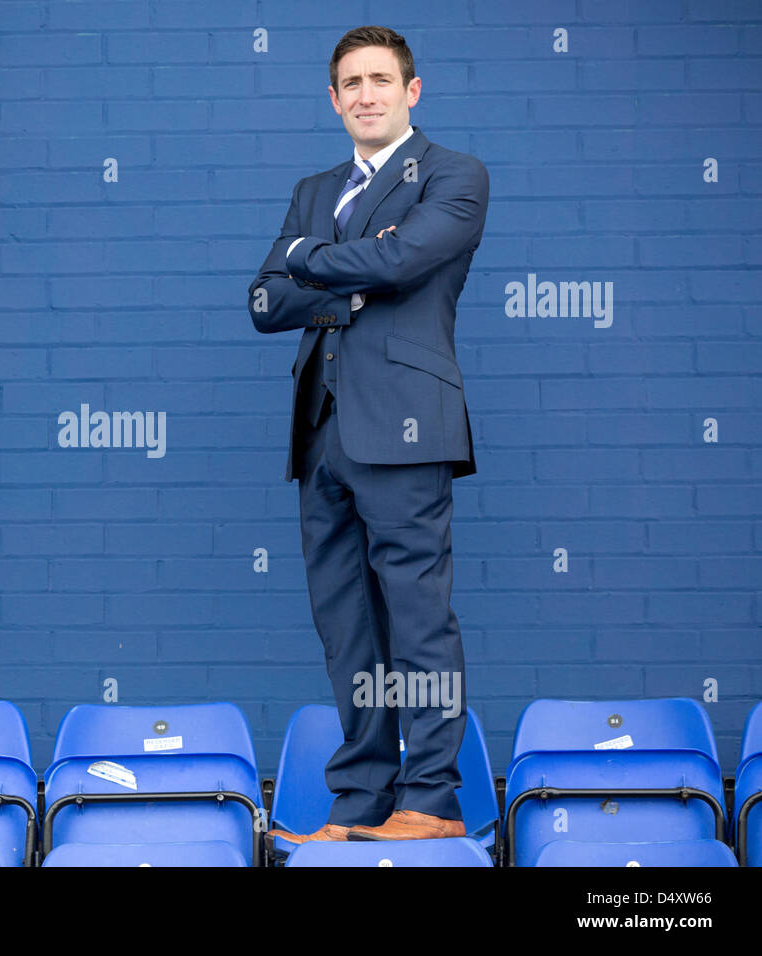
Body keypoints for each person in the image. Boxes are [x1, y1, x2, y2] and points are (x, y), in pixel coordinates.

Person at [247, 25, 488, 844]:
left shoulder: (454, 175)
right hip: (321, 434)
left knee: (417, 621)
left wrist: (311, 262)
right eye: (350, 83)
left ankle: (432, 801)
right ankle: (359, 805)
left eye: (381, 79)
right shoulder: (317, 187)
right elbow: (262, 304)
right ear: (334, 98)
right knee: (347, 628)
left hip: (406, 432)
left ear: (411, 91)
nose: (366, 95)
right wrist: (344, 279)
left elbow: (404, 262)